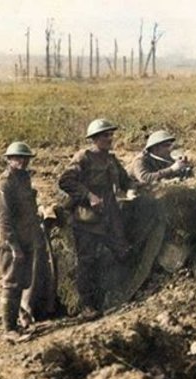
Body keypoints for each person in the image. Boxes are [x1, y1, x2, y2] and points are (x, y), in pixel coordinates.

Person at [58, 118, 138, 319]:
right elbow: (65, 180)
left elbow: (126, 180)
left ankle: (119, 295)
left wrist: (131, 190)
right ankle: (87, 306)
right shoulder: (83, 157)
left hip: (110, 216)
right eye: (105, 136)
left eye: (111, 135)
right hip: (88, 220)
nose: (110, 138)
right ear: (94, 139)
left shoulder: (111, 159)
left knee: (123, 252)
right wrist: (89, 196)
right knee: (87, 262)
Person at [0, 141, 46, 341]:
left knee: (23, 281)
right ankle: (9, 330)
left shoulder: (24, 178)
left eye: (25, 158)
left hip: (26, 238)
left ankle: (18, 320)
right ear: (9, 160)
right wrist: (14, 247)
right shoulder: (4, 183)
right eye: (18, 158)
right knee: (11, 283)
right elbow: (3, 220)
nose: (22, 162)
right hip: (11, 243)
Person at [128, 129, 193, 184]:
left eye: (170, 145)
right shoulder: (140, 160)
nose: (170, 149)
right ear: (155, 148)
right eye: (166, 145)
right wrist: (172, 169)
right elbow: (145, 178)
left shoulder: (164, 158)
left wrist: (182, 166)